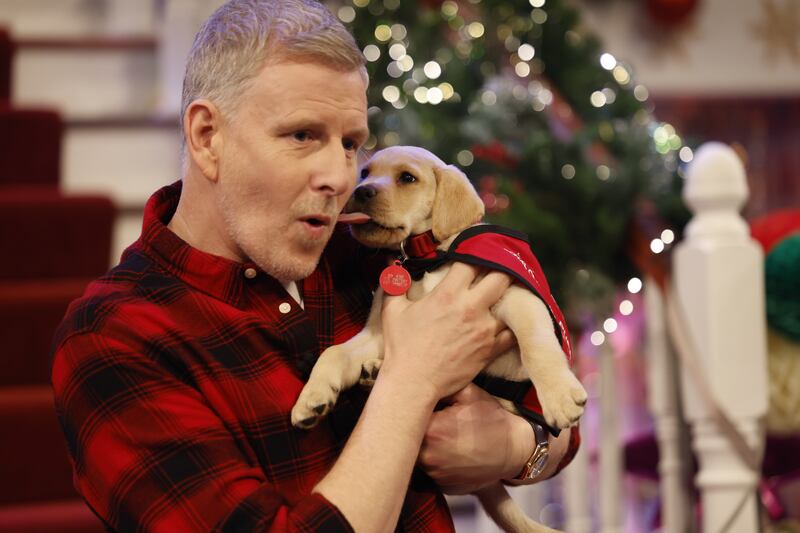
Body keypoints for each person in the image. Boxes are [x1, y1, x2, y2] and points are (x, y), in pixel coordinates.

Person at [51, 1, 578, 531]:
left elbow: (561, 424)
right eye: (302, 135)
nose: (340, 177)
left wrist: (515, 448)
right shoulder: (113, 336)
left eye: (350, 144)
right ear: (208, 137)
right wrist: (412, 381)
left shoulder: (375, 255)